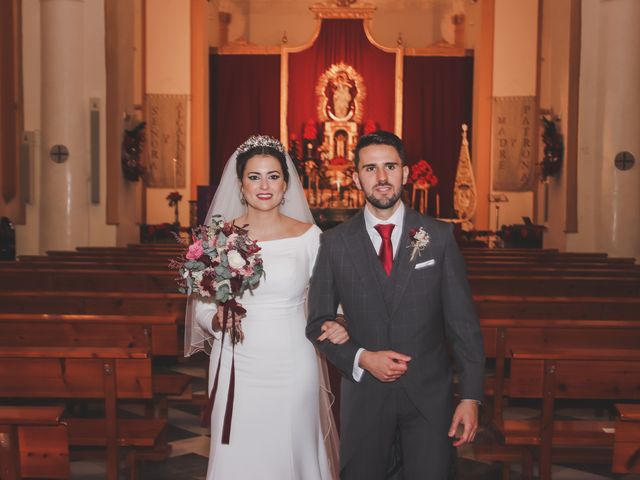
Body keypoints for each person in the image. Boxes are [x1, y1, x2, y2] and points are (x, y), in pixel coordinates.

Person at [306, 130, 485, 479]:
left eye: (390, 166)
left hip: (429, 400)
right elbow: (318, 324)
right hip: (365, 399)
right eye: (371, 169)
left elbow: (463, 325)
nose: (382, 178)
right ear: (357, 177)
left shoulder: (439, 237)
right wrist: (362, 358)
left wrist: (471, 397)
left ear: (405, 173)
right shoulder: (335, 244)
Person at [185, 135, 347, 480]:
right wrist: (215, 319)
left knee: (290, 446)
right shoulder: (217, 238)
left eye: (273, 176)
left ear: (285, 184)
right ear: (240, 184)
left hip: (292, 360)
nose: (264, 185)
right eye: (254, 176)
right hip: (235, 361)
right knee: (238, 451)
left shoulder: (310, 237)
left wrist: (338, 319)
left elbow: (336, 296)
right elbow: (201, 303)